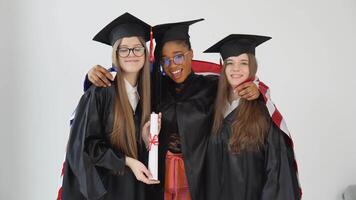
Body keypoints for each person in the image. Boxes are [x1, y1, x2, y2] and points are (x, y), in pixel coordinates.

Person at [85, 19, 262, 200]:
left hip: (198, 176)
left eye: (178, 56)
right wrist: (91, 76)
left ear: (190, 54)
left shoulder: (212, 87)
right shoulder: (153, 87)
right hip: (158, 175)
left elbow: (237, 84)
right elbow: (126, 76)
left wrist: (257, 89)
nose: (173, 65)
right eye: (165, 60)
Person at [61, 12, 161, 200]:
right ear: (115, 54)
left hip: (136, 188)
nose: (131, 54)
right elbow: (84, 146)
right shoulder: (99, 93)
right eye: (124, 49)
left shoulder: (147, 93)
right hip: (108, 190)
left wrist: (145, 139)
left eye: (137, 48)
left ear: (145, 52)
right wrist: (128, 161)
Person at [204, 34, 302, 200]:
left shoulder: (263, 111)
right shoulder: (213, 107)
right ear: (223, 68)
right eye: (230, 63)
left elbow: (277, 172)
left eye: (243, 63)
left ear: (253, 67)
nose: (236, 69)